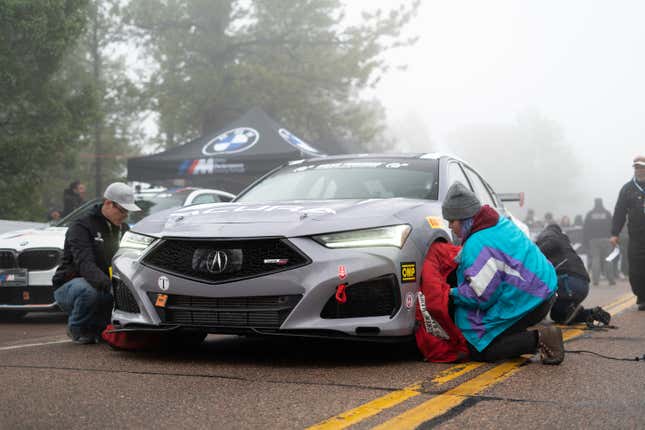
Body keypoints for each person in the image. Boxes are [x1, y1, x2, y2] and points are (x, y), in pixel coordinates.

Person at [442, 183, 564, 364]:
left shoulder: (476, 244)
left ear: (464, 217)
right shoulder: (498, 223)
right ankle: (521, 338)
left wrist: (450, 294)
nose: (450, 227)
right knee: (494, 333)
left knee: (481, 348)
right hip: (544, 288)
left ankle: (541, 339)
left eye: (452, 221)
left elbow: (482, 296)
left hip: (532, 300)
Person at [52, 182, 141, 344]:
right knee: (89, 291)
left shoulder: (124, 229)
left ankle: (99, 328)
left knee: (111, 295)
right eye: (122, 210)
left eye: (128, 211)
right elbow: (85, 265)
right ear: (108, 203)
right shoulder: (81, 227)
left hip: (103, 285)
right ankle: (77, 329)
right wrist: (112, 287)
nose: (125, 215)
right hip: (71, 285)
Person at [536, 223, 611, 326]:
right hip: (583, 285)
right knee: (558, 315)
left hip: (568, 281)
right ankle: (590, 314)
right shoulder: (564, 242)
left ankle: (531, 315)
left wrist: (533, 249)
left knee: (537, 285)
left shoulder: (549, 234)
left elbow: (552, 242)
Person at [611, 155, 645, 310]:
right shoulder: (627, 189)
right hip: (637, 236)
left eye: (642, 166)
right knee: (637, 267)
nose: (639, 170)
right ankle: (642, 296)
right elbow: (619, 211)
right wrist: (614, 233)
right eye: (636, 167)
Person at [583, 198, 615, 285]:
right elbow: (613, 226)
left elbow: (585, 228)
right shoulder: (607, 213)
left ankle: (595, 280)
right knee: (608, 259)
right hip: (606, 239)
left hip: (593, 240)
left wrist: (586, 241)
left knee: (595, 259)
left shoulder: (590, 214)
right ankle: (611, 279)